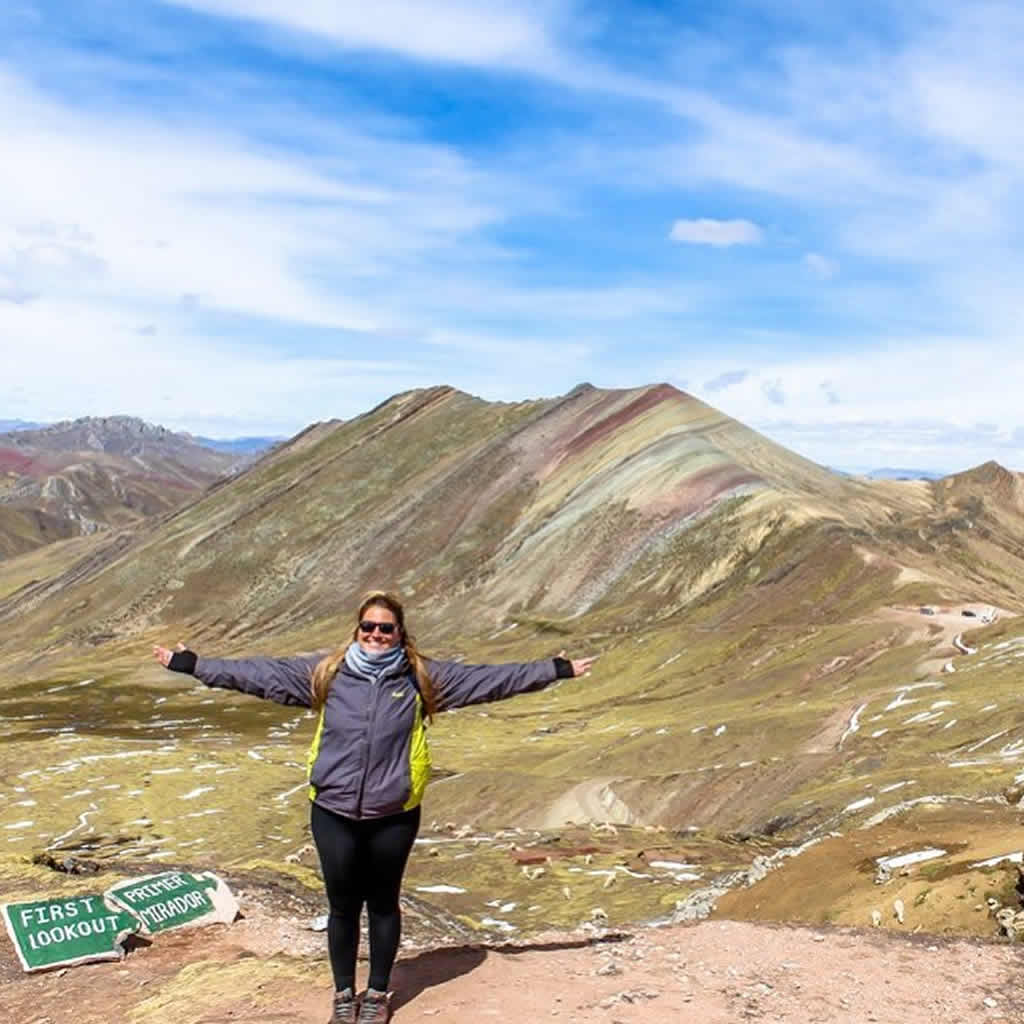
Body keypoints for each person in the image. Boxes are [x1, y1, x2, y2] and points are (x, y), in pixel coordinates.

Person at [153, 589, 595, 1024]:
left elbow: (491, 680)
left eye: (386, 628)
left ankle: (379, 994)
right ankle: (343, 994)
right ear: (358, 629)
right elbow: (257, 675)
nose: (376, 634)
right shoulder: (326, 672)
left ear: (400, 633)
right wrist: (195, 665)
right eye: (369, 627)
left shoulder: (421, 677)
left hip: (394, 814)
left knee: (383, 903)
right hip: (333, 810)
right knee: (342, 906)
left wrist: (555, 669)